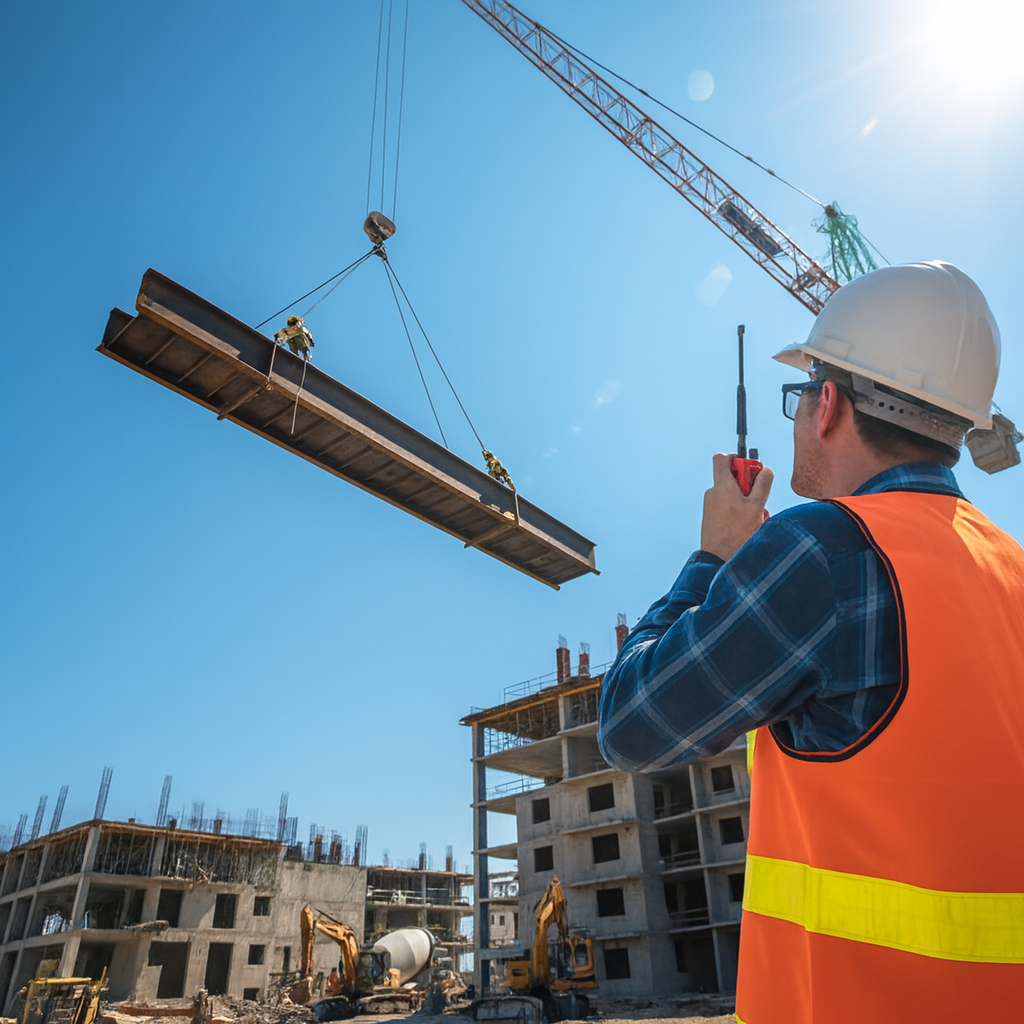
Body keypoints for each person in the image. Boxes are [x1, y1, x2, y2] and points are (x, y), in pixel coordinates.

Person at [597, 261, 1024, 1022]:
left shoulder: (825, 549)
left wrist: (712, 558)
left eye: (801, 393)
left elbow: (632, 725)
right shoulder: (1012, 570)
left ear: (827, 404)